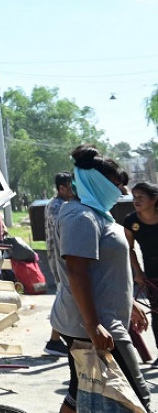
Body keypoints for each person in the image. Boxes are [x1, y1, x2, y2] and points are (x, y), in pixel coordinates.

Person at [50, 145, 151, 412]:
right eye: (115, 185)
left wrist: (129, 301)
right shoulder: (80, 215)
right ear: (95, 181)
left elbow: (104, 272)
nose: (119, 192)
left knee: (79, 390)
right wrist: (93, 325)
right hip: (96, 325)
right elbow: (76, 270)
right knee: (137, 396)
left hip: (102, 318)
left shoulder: (96, 213)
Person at [123, 181, 158, 360]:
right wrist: (138, 272)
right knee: (156, 313)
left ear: (154, 199)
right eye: (134, 197)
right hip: (151, 273)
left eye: (140, 197)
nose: (136, 201)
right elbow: (129, 248)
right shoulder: (131, 221)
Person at [42, 171, 74, 357]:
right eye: (70, 187)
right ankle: (54, 341)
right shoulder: (56, 206)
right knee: (64, 298)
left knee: (64, 298)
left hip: (65, 259)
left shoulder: (64, 204)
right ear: (62, 188)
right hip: (59, 260)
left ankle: (55, 340)